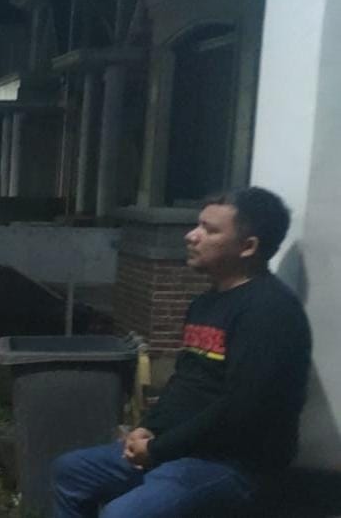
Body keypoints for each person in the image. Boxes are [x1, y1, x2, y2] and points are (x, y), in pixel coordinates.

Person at [52, 187, 311, 518]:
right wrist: (149, 427)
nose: (191, 236)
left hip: (233, 465)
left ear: (248, 247)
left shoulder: (270, 312)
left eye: (209, 230)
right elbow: (185, 381)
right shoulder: (206, 303)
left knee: (122, 514)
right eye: (197, 224)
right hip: (181, 448)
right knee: (71, 471)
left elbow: (242, 410)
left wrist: (158, 449)